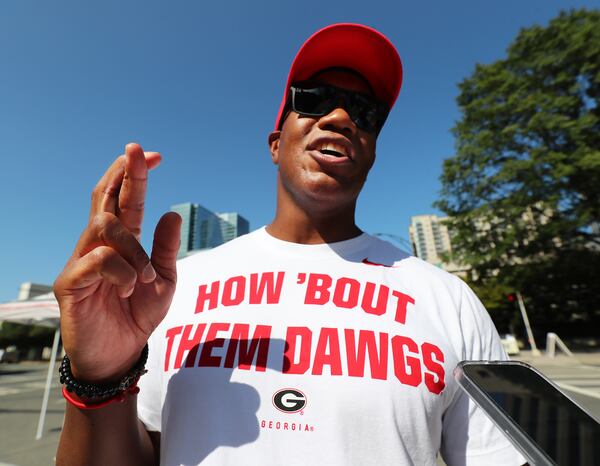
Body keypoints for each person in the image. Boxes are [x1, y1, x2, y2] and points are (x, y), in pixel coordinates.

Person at [54, 23, 525, 466]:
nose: (340, 117)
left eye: (365, 113)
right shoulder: (173, 290)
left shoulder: (450, 301)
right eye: (316, 99)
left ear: (372, 153)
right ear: (276, 144)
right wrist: (100, 377)